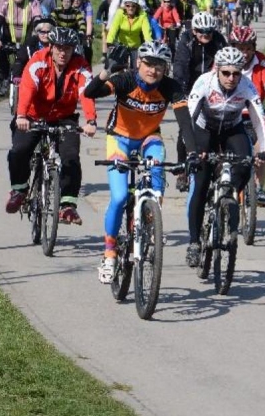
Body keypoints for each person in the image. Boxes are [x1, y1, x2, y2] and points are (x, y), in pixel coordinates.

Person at [83, 41, 197, 284]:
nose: (153, 70)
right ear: (138, 63)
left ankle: (150, 223)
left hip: (149, 137)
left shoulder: (170, 87)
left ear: (165, 68)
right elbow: (90, 93)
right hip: (120, 139)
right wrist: (107, 71)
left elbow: (185, 123)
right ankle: (109, 253)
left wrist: (192, 154)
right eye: (148, 64)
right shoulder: (127, 79)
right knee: (120, 197)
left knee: (156, 179)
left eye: (159, 66)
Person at [184, 47, 265, 267]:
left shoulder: (246, 86)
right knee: (201, 184)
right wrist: (193, 150)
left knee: (244, 165)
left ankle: (227, 198)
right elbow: (189, 117)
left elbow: (259, 118)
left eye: (236, 73)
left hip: (233, 129)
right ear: (217, 70)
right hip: (205, 130)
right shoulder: (204, 82)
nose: (231, 78)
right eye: (226, 73)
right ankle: (194, 243)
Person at [5, 27, 97, 224]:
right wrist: (21, 115)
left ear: (74, 50)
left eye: (68, 49)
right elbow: (27, 89)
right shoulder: (38, 61)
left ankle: (68, 205)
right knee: (19, 150)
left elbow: (86, 92)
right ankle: (19, 189)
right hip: (32, 116)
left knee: (71, 156)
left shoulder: (80, 65)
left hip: (64, 117)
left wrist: (91, 120)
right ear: (51, 47)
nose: (63, 53)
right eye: (59, 48)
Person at [173, 11, 228, 190]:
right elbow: (180, 65)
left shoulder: (219, 40)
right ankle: (182, 169)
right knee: (185, 128)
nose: (206, 35)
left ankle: (218, 163)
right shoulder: (185, 40)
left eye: (209, 32)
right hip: (190, 85)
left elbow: (225, 62)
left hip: (213, 85)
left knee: (219, 124)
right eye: (202, 32)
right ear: (194, 30)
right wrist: (182, 92)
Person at [228, 26, 265, 205]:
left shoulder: (262, 62)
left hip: (254, 113)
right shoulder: (223, 60)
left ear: (254, 47)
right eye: (240, 48)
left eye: (248, 48)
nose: (244, 53)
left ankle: (258, 188)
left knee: (262, 149)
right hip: (228, 112)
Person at [0, 0, 43, 94]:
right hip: (8, 38)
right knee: (0, 53)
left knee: (29, 57)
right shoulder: (4, 0)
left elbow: (37, 19)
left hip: (27, 39)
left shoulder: (32, 1)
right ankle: (5, 77)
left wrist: (38, 32)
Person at [106, 0, 153, 66]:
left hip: (135, 46)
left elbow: (147, 31)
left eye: (133, 6)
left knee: (136, 68)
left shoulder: (142, 15)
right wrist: (109, 41)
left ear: (137, 7)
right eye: (128, 5)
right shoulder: (120, 13)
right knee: (116, 67)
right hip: (121, 44)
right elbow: (113, 28)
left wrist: (149, 44)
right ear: (124, 6)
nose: (130, 8)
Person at [71, 0, 94, 64]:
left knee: (87, 49)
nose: (76, 0)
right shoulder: (68, 4)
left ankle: (88, 66)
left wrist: (88, 35)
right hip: (73, 28)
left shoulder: (87, 5)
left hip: (85, 28)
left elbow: (89, 21)